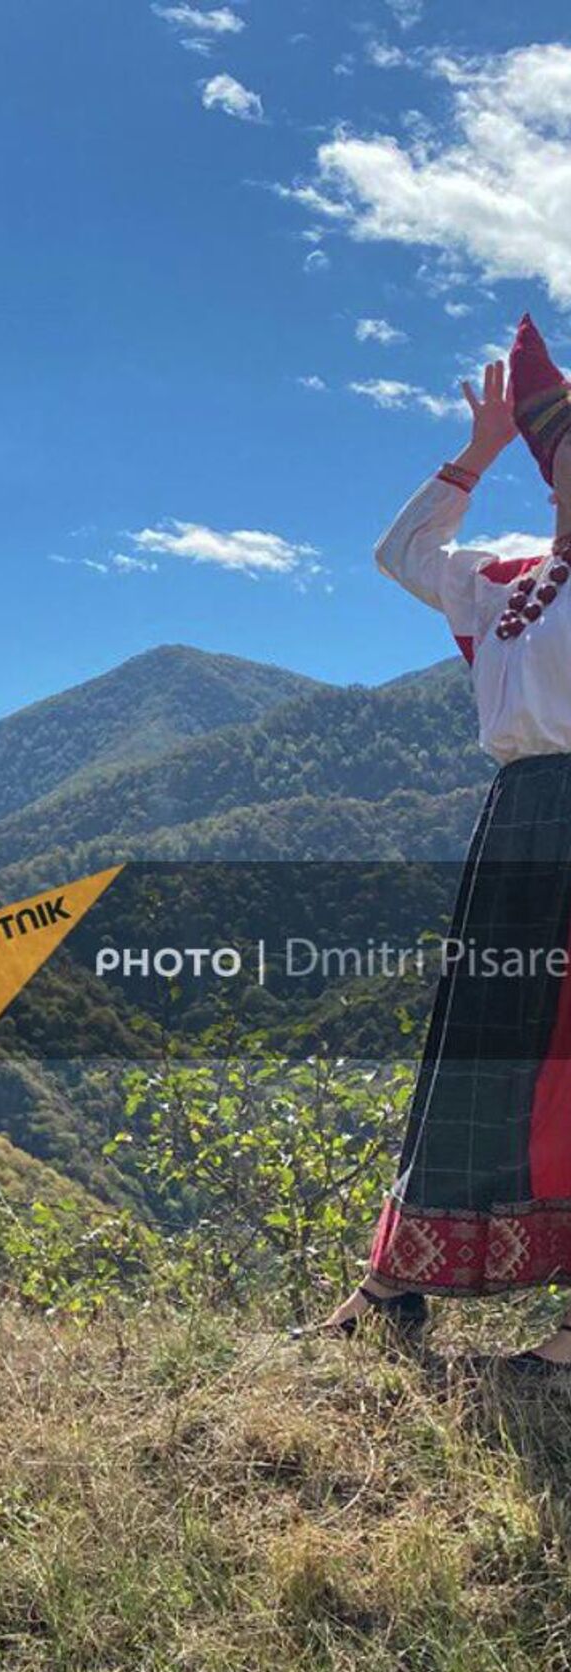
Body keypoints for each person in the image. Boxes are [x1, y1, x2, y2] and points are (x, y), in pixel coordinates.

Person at [320, 316, 571, 1371]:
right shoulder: (506, 573)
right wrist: (476, 454)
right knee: (481, 1049)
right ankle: (395, 1284)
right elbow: (398, 554)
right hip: (520, 822)